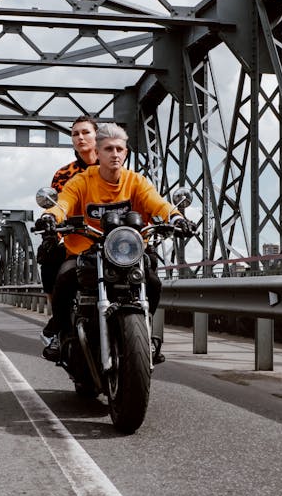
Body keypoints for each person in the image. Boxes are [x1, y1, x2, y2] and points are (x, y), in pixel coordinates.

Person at [36, 122, 189, 363]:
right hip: (87, 250)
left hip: (126, 251)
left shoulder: (136, 181)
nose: (115, 154)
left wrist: (176, 217)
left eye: (120, 149)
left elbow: (157, 203)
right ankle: (61, 334)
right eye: (108, 149)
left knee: (153, 282)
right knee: (65, 277)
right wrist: (50, 216)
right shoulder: (81, 181)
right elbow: (63, 203)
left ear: (126, 152)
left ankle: (144, 336)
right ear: (98, 152)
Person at [38, 115, 98, 311]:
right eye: (75, 134)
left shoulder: (113, 168)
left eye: (86, 132)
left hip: (109, 235)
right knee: (48, 253)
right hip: (76, 235)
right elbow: (59, 205)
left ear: (98, 136)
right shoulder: (63, 174)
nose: (80, 137)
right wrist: (52, 232)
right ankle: (56, 319)